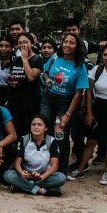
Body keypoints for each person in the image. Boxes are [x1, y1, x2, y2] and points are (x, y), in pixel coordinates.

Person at [40, 31, 89, 177]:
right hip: (48, 98)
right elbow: (45, 72)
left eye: (71, 42)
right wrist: (47, 79)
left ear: (77, 46)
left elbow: (79, 93)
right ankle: (44, 164)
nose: (67, 45)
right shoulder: (56, 57)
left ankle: (60, 170)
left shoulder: (80, 66)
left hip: (66, 102)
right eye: (65, 41)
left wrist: (67, 114)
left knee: (60, 134)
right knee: (43, 129)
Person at [76, 42, 107, 185]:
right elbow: (89, 91)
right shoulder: (97, 69)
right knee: (91, 140)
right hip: (98, 107)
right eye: (105, 54)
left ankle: (106, 172)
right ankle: (81, 168)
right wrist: (89, 112)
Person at [3, 114, 66, 196]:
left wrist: (42, 176)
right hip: (27, 176)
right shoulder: (24, 140)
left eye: (39, 125)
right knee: (8, 175)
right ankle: (41, 190)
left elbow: (54, 166)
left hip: (43, 176)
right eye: (33, 124)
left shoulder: (51, 141)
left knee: (61, 178)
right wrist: (22, 173)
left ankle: (21, 187)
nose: (36, 127)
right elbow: (17, 163)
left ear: (45, 128)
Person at [3, 33, 44, 138]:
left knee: (27, 130)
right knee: (15, 128)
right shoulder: (16, 60)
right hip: (15, 100)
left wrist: (25, 59)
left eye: (25, 42)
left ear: (32, 44)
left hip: (30, 101)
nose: (22, 45)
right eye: (20, 43)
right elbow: (14, 75)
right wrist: (10, 83)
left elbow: (31, 77)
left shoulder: (37, 59)